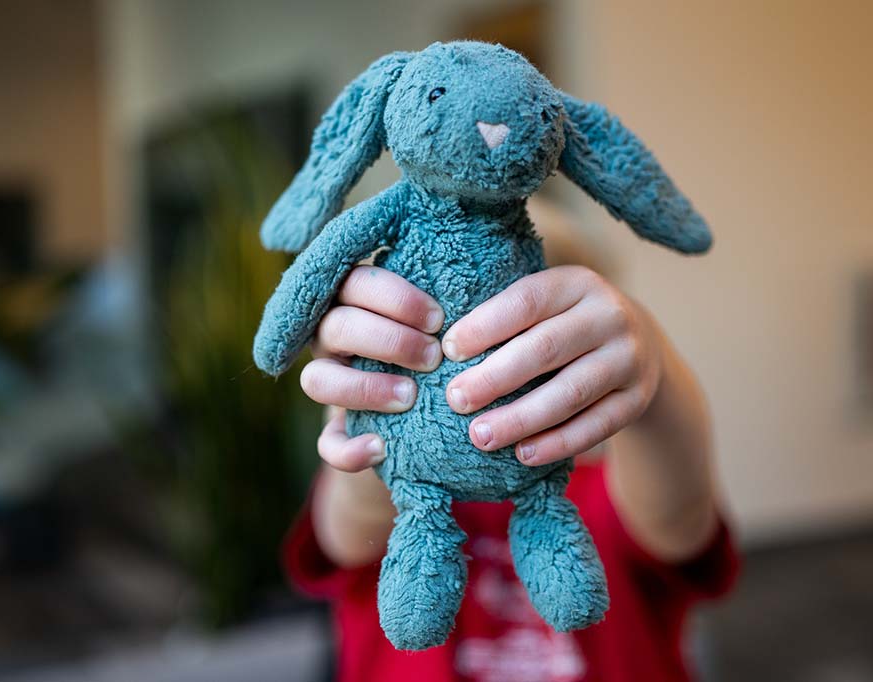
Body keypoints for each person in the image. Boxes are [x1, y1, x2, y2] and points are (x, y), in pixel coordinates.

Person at [282, 207, 739, 681]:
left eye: (535, 336)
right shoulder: (386, 509)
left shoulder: (605, 495)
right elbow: (352, 524)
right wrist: (370, 399)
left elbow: (678, 509)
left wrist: (649, 366)